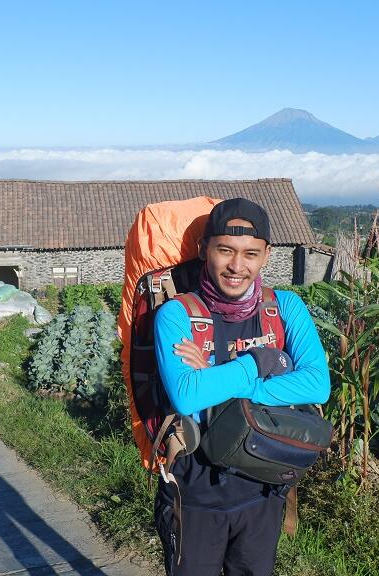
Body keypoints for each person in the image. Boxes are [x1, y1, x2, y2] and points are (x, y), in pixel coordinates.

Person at [152, 198, 330, 575]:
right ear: (204, 251)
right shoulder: (177, 315)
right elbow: (187, 396)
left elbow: (317, 385)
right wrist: (263, 363)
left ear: (266, 256)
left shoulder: (286, 308)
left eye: (250, 253)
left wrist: (219, 376)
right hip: (196, 493)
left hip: (265, 487)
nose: (237, 266)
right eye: (224, 250)